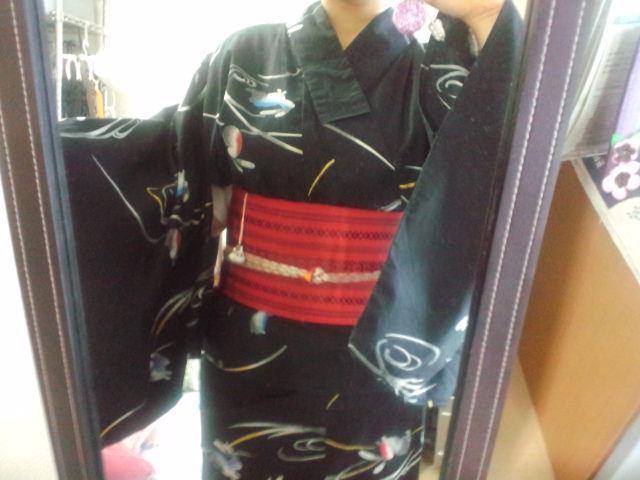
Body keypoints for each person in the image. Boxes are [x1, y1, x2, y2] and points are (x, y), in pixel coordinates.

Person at [60, 0, 520, 478]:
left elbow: (490, 171)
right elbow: (176, 166)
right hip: (249, 345)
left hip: (380, 346)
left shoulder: (438, 66)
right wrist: (40, 154)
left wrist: (486, 16)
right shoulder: (244, 52)